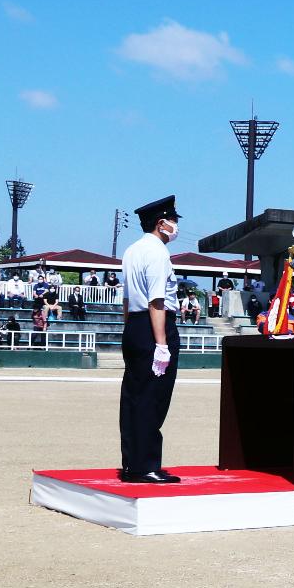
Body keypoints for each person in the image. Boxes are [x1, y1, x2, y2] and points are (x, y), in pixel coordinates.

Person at [117, 195, 183, 483]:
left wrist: (131, 331)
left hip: (135, 325)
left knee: (133, 397)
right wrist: (161, 344)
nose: (175, 227)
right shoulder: (157, 253)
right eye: (173, 221)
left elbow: (128, 299)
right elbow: (157, 300)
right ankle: (145, 466)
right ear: (161, 223)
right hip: (155, 325)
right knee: (153, 398)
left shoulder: (132, 250)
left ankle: (134, 462)